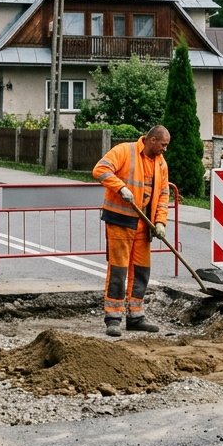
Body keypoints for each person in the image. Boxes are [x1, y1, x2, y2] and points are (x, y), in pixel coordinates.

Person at [92, 124, 171, 337]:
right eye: (163, 145)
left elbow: (163, 194)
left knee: (141, 271)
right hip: (120, 220)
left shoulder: (161, 163)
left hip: (144, 225)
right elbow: (100, 170)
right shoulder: (124, 151)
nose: (165, 149)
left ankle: (136, 316)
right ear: (152, 140)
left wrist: (160, 222)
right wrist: (120, 188)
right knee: (118, 270)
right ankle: (113, 318)